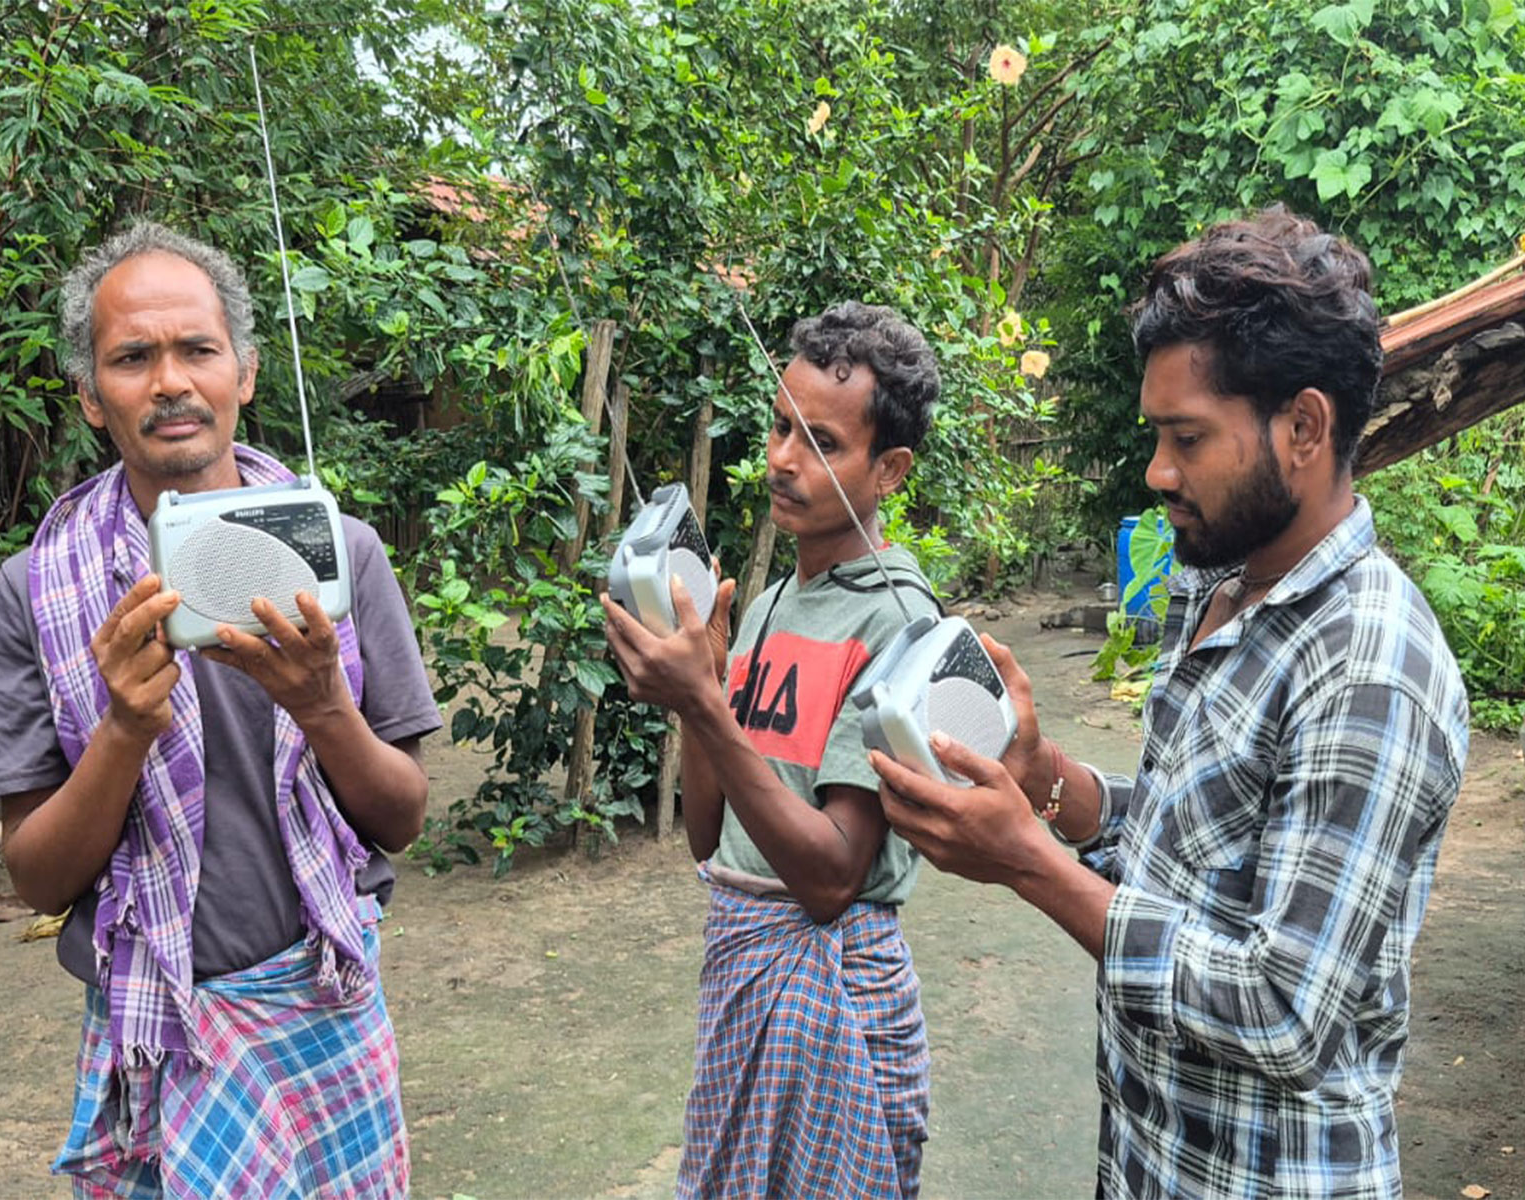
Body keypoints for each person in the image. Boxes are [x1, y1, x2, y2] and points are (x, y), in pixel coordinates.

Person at [871, 206, 1470, 1199]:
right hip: (1154, 1163)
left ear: (1305, 427)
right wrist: (1042, 780)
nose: (1157, 472)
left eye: (1186, 438)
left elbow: (1282, 1008)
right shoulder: (1218, 580)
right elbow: (1188, 839)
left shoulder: (1369, 669)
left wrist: (1027, 863)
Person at [0, 222, 440, 1197]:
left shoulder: (341, 557)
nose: (170, 381)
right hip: (155, 1031)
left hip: (324, 1006)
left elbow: (399, 816)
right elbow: (35, 876)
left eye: (197, 349)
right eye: (132, 358)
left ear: (247, 373)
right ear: (92, 400)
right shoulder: (39, 591)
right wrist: (123, 731)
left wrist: (324, 708)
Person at [602, 300, 941, 1198]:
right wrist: (704, 694)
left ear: (891, 468)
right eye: (781, 427)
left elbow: (832, 877)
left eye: (823, 442)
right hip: (747, 975)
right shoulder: (762, 608)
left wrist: (704, 707)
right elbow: (710, 840)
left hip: (835, 994)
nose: (785, 459)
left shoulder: (899, 624)